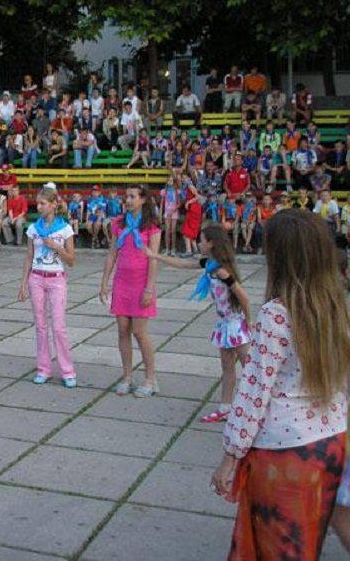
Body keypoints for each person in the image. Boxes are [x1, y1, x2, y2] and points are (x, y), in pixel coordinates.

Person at [211, 210, 349, 560]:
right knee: (308, 542)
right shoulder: (334, 306)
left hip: (285, 452)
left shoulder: (277, 313)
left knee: (280, 548)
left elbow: (253, 393)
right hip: (331, 442)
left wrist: (230, 456)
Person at [146, 226, 251, 423]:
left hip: (235, 325)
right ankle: (225, 408)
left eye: (201, 240)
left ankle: (264, 407)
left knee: (250, 368)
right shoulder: (209, 264)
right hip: (224, 324)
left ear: (211, 243)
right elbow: (182, 263)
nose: (198, 243)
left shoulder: (221, 271)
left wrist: (249, 322)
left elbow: (243, 297)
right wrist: (156, 256)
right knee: (228, 367)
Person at [99, 184, 161, 397]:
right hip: (122, 283)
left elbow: (153, 259)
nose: (128, 200)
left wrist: (149, 289)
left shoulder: (151, 225)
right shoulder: (119, 223)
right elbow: (112, 253)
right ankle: (127, 376)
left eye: (133, 196)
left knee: (139, 332)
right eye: (127, 196)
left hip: (141, 284)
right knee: (123, 330)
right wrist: (104, 282)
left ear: (143, 200)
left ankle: (150, 378)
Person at [17, 187, 77, 388]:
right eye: (38, 203)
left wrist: (56, 246)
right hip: (36, 278)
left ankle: (67, 371)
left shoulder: (65, 229)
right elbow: (29, 257)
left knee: (58, 327)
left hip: (56, 279)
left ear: (53, 205)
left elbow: (71, 260)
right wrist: (23, 284)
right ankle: (43, 368)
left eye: (43, 203)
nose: (39, 207)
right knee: (40, 327)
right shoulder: (33, 229)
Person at [180, 170, 202, 257]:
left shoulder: (190, 185)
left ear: (189, 178)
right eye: (182, 178)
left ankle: (188, 251)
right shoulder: (185, 186)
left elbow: (197, 196)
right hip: (191, 209)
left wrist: (188, 202)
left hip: (194, 209)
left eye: (185, 178)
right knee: (190, 230)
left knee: (186, 230)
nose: (183, 179)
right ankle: (195, 250)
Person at [160, 174, 180, 256]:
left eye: (171, 180)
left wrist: (173, 210)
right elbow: (162, 203)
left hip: (174, 212)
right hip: (167, 212)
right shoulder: (164, 191)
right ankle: (167, 249)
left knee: (173, 231)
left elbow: (179, 203)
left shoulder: (177, 191)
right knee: (167, 230)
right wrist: (160, 214)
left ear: (174, 182)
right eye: (168, 180)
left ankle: (173, 249)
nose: (170, 182)